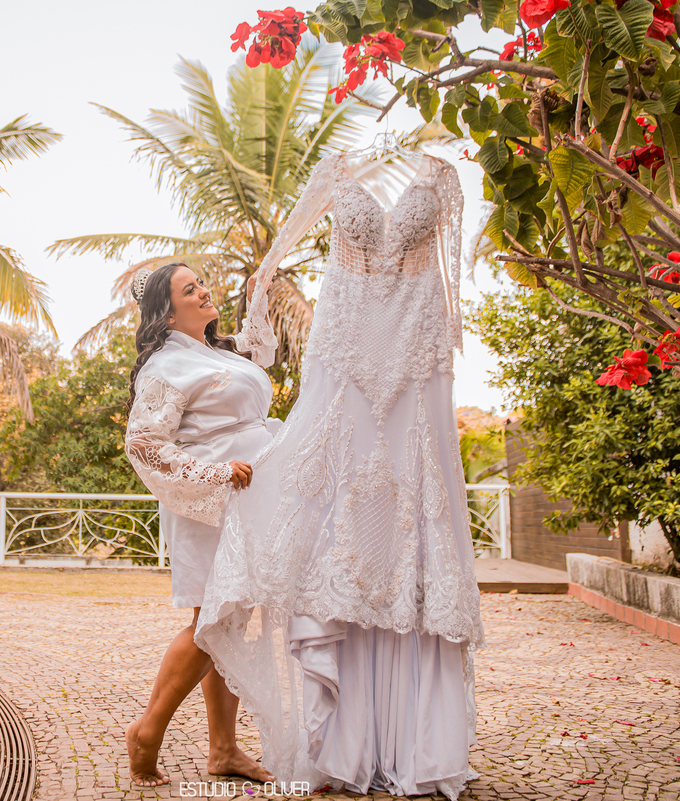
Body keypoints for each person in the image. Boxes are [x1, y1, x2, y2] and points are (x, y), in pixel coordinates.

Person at [195, 149, 486, 798]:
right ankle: (343, 744)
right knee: (340, 516)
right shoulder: (335, 167)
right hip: (346, 346)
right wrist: (261, 288)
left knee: (415, 516)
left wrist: (449, 328)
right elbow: (279, 251)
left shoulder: (440, 175)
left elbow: (454, 274)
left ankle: (418, 744)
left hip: (416, 349)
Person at [122, 261, 279, 787]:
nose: (205, 291)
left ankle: (223, 749)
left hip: (252, 498)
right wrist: (212, 473)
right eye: (190, 289)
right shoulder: (166, 366)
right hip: (213, 501)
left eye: (202, 283)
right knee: (212, 622)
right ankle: (147, 730)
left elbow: (262, 359)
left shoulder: (215, 353)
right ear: (167, 312)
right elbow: (144, 443)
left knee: (229, 623)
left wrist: (258, 300)